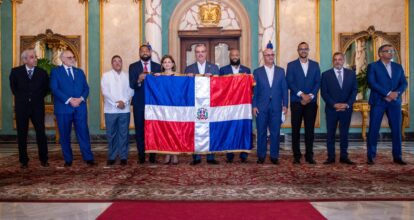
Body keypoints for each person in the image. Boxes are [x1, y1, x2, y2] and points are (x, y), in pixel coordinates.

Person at [50, 50, 96, 167]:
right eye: (69, 57)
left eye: (73, 57)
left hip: (80, 107)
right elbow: (55, 89)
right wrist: (69, 99)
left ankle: (88, 157)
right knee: (64, 134)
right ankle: (68, 159)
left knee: (83, 133)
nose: (72, 59)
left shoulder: (79, 72)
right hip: (63, 108)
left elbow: (86, 88)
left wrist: (81, 99)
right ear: (63, 59)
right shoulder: (55, 72)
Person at [366, 44, 408, 165]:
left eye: (392, 51)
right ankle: (371, 156)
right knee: (374, 129)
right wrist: (388, 93)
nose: (391, 53)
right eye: (387, 51)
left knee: (396, 130)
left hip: (394, 102)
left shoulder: (398, 67)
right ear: (380, 54)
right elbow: (372, 83)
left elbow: (404, 83)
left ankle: (398, 156)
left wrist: (396, 93)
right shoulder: (373, 66)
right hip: (378, 101)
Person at [9, 48, 49, 169]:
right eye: (32, 57)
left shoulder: (42, 72)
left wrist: (35, 98)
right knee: (22, 134)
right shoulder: (15, 72)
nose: (35, 59)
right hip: (22, 107)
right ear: (25, 59)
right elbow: (14, 89)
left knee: (41, 133)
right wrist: (25, 98)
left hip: (37, 107)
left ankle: (44, 159)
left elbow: (46, 89)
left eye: (35, 57)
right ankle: (23, 160)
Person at [184, 43, 220, 165]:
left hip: (210, 103)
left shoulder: (214, 68)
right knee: (196, 129)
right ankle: (196, 157)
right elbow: (186, 88)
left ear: (206, 53)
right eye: (198, 52)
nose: (200, 54)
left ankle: (211, 157)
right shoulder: (189, 69)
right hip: (195, 104)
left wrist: (213, 78)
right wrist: (187, 79)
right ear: (195, 54)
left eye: (202, 51)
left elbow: (219, 87)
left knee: (211, 129)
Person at [252, 45, 288, 164]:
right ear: (264, 57)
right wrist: (254, 106)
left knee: (275, 133)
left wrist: (285, 105)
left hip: (277, 107)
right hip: (261, 108)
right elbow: (254, 92)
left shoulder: (281, 71)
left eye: (272, 55)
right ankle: (261, 156)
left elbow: (284, 89)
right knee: (261, 132)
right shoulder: (257, 72)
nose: (270, 57)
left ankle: (274, 156)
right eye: (268, 55)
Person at [286, 42, 321, 164]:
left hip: (311, 102)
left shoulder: (315, 65)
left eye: (305, 49)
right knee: (295, 130)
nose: (303, 51)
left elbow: (318, 82)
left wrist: (310, 96)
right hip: (297, 102)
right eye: (301, 49)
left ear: (308, 50)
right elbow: (290, 82)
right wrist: (302, 95)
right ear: (298, 50)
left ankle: (309, 155)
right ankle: (296, 156)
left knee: (309, 130)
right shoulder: (291, 65)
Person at [321, 52, 357, 165]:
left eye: (340, 59)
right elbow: (324, 93)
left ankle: (344, 156)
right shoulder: (326, 74)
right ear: (333, 61)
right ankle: (330, 157)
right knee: (330, 134)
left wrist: (347, 104)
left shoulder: (351, 74)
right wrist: (334, 104)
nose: (338, 61)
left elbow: (354, 91)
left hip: (346, 109)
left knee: (344, 134)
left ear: (343, 60)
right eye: (335, 59)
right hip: (332, 109)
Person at [129, 44, 161, 164]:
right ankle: (141, 156)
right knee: (140, 131)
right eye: (142, 51)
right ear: (139, 53)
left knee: (153, 130)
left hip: (154, 104)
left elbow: (161, 87)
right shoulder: (133, 67)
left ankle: (153, 156)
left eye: (147, 50)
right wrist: (138, 79)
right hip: (139, 104)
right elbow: (131, 84)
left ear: (151, 52)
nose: (145, 53)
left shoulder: (158, 67)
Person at [219, 48, 251, 163]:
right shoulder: (223, 70)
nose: (235, 57)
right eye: (233, 55)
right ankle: (230, 154)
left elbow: (251, 88)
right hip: (228, 106)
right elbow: (220, 88)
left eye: (237, 55)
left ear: (239, 56)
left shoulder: (247, 70)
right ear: (230, 56)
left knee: (243, 128)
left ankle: (243, 154)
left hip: (242, 106)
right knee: (229, 129)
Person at [101, 55, 134, 166]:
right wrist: (116, 103)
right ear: (112, 63)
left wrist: (123, 102)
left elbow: (131, 91)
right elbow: (105, 92)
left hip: (124, 110)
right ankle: (112, 156)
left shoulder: (127, 76)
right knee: (111, 134)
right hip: (110, 110)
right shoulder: (106, 76)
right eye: (115, 61)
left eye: (119, 61)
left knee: (124, 134)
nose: (117, 63)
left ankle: (123, 156)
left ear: (122, 63)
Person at [154, 55, 179, 165]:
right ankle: (167, 153)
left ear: (173, 64)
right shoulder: (159, 77)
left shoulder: (179, 76)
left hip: (176, 108)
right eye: (165, 62)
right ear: (162, 65)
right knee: (165, 131)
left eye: (169, 62)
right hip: (164, 109)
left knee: (175, 131)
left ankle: (175, 154)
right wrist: (155, 79)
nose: (167, 64)